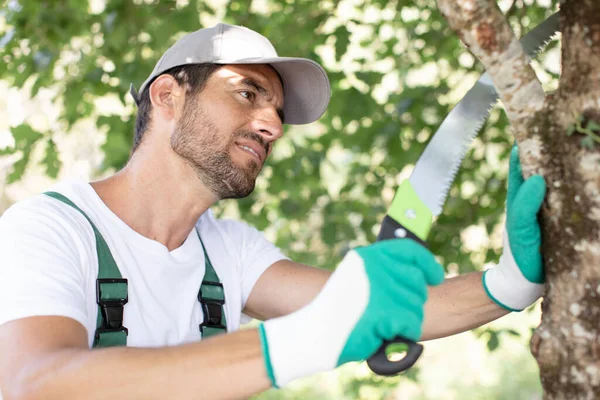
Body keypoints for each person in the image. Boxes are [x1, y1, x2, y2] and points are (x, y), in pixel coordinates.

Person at [0, 23, 546, 399]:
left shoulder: (231, 252)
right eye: (247, 93)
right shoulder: (49, 228)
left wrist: (515, 279)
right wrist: (297, 343)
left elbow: (396, 310)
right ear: (168, 95)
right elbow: (35, 383)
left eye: (278, 111)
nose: (274, 126)